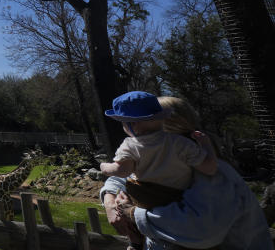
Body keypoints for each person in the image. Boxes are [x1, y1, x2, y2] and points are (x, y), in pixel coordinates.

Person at [101, 95, 270, 250]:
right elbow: (127, 176)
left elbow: (202, 230)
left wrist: (132, 213)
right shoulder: (166, 160)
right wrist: (110, 201)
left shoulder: (214, 175)